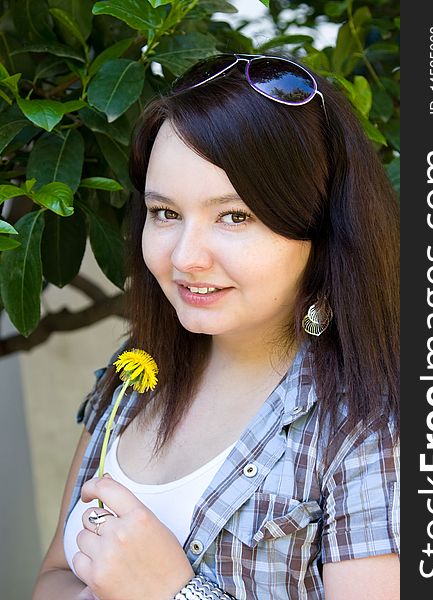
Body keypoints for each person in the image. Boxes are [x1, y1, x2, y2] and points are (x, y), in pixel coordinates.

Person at [33, 53, 400, 600]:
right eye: (165, 213)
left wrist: (171, 593)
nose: (185, 257)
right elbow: (55, 578)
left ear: (319, 226)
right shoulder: (136, 371)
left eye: (234, 216)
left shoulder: (370, 425)